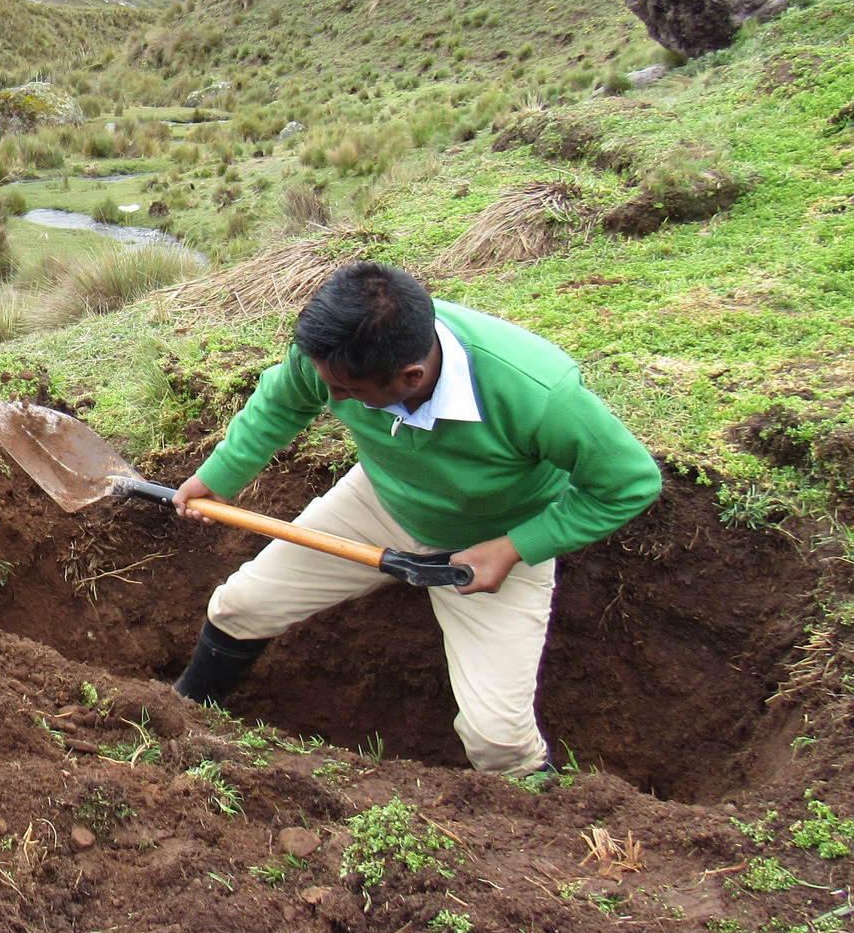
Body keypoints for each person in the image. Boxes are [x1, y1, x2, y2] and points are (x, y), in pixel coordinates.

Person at [167, 261, 661, 776]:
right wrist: (220, 475)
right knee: (241, 606)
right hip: (381, 501)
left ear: (410, 377)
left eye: (349, 392)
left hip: (494, 539)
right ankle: (181, 711)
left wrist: (516, 546)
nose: (331, 398)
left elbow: (629, 484)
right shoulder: (336, 354)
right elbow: (282, 402)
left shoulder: (538, 395)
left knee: (497, 743)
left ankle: (543, 828)